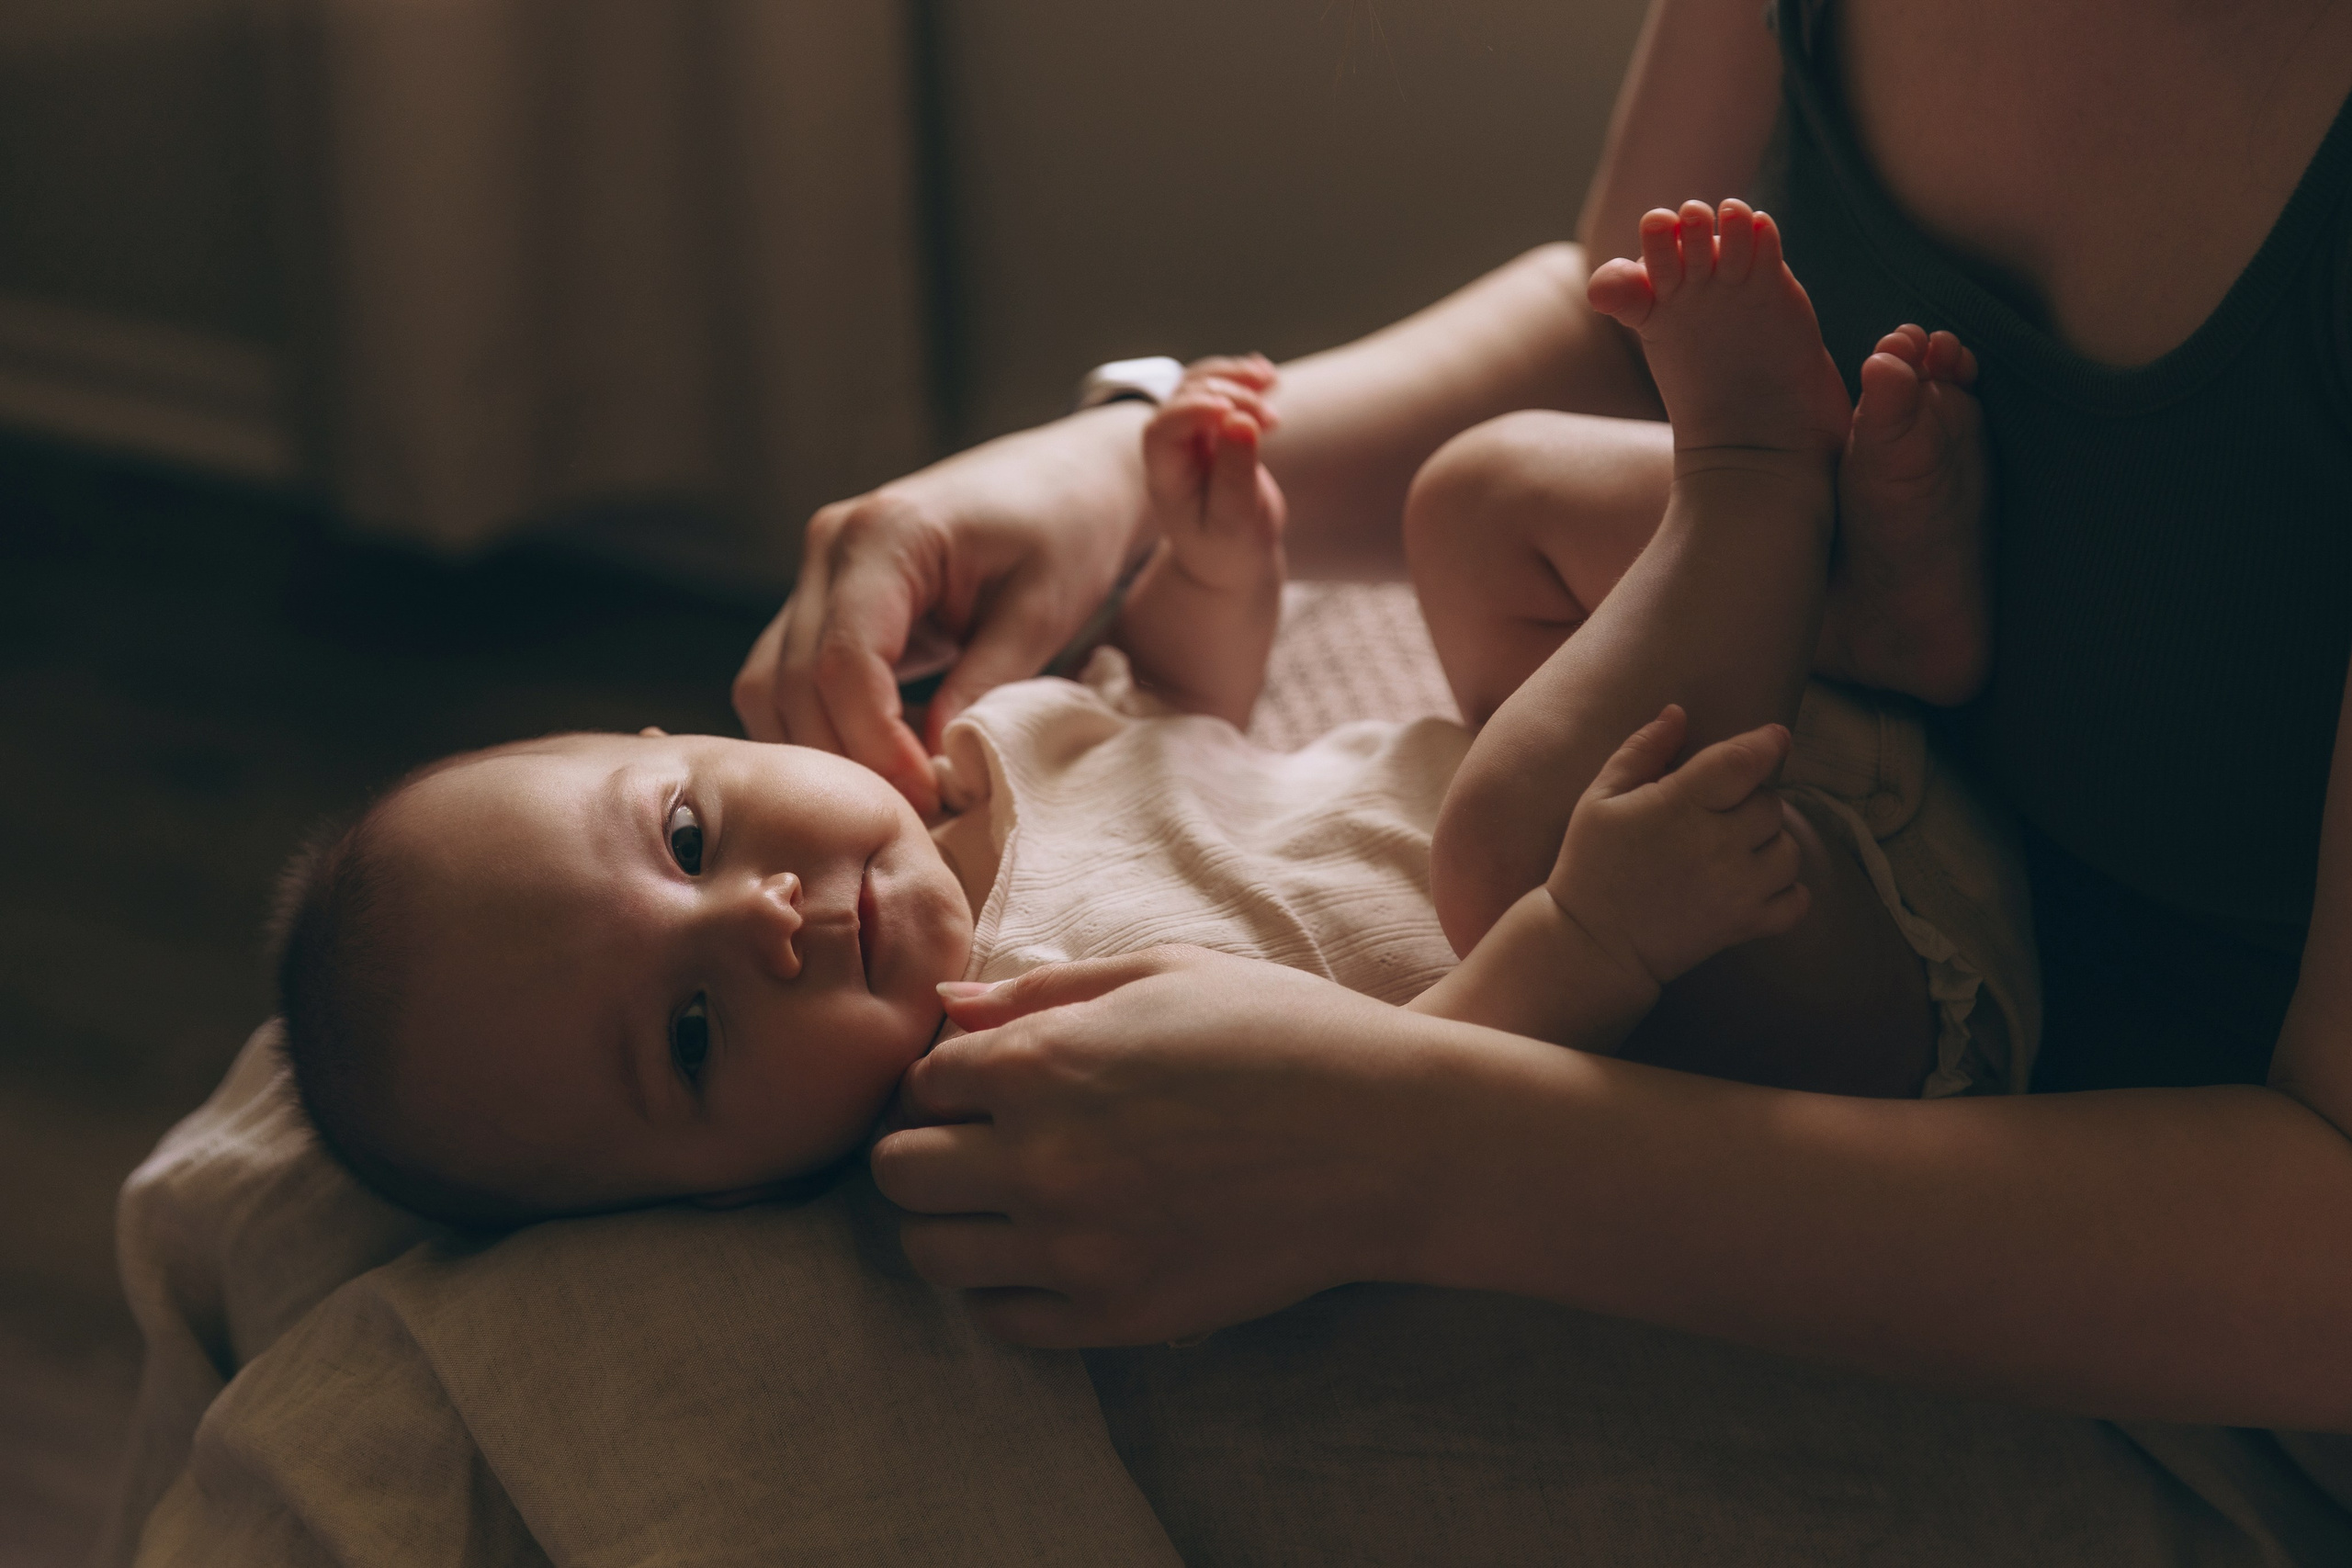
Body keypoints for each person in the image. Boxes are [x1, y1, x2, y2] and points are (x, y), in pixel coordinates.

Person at [742, 0, 2352, 1441]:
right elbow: (1619, 322)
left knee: (1508, 854)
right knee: (1482, 499)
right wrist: (1121, 462)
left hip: (2149, 1253)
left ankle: (1783, 523)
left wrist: (1415, 1150)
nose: (746, 916)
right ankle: (1826, 566)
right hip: (1820, 760)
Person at [279, 319, 1945, 1226]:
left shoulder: (970, 774)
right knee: (1508, 840)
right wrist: (1597, 940)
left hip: (1722, 770)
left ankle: (1876, 622)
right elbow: (1400, 1106)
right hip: (1771, 979)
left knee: (1474, 497)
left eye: (692, 839)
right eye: (695, 1034)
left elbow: (1181, 727)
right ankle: (1754, 484)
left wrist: (1212, 564)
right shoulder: (1027, 1087)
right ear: (694, 1203)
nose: (766, 920)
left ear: (679, 744)